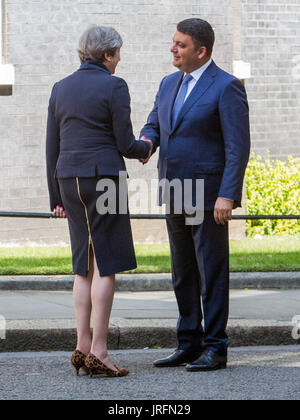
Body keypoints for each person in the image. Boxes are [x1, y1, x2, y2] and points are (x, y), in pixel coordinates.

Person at [140, 18, 250, 371]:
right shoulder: (168, 83)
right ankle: (189, 343)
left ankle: (216, 347)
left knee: (211, 271)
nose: (173, 49)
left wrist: (227, 195)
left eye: (181, 45)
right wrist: (145, 143)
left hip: (208, 196)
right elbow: (154, 123)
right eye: (173, 42)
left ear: (201, 51)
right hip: (174, 190)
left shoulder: (227, 86)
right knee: (182, 271)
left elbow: (237, 147)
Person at [46, 26, 152, 378]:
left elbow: (52, 145)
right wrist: (146, 148)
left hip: (68, 179)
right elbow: (124, 142)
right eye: (118, 53)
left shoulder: (60, 87)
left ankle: (81, 345)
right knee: (107, 262)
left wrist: (55, 196)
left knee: (83, 263)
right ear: (106, 55)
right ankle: (101, 351)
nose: (120, 59)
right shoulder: (113, 85)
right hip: (103, 178)